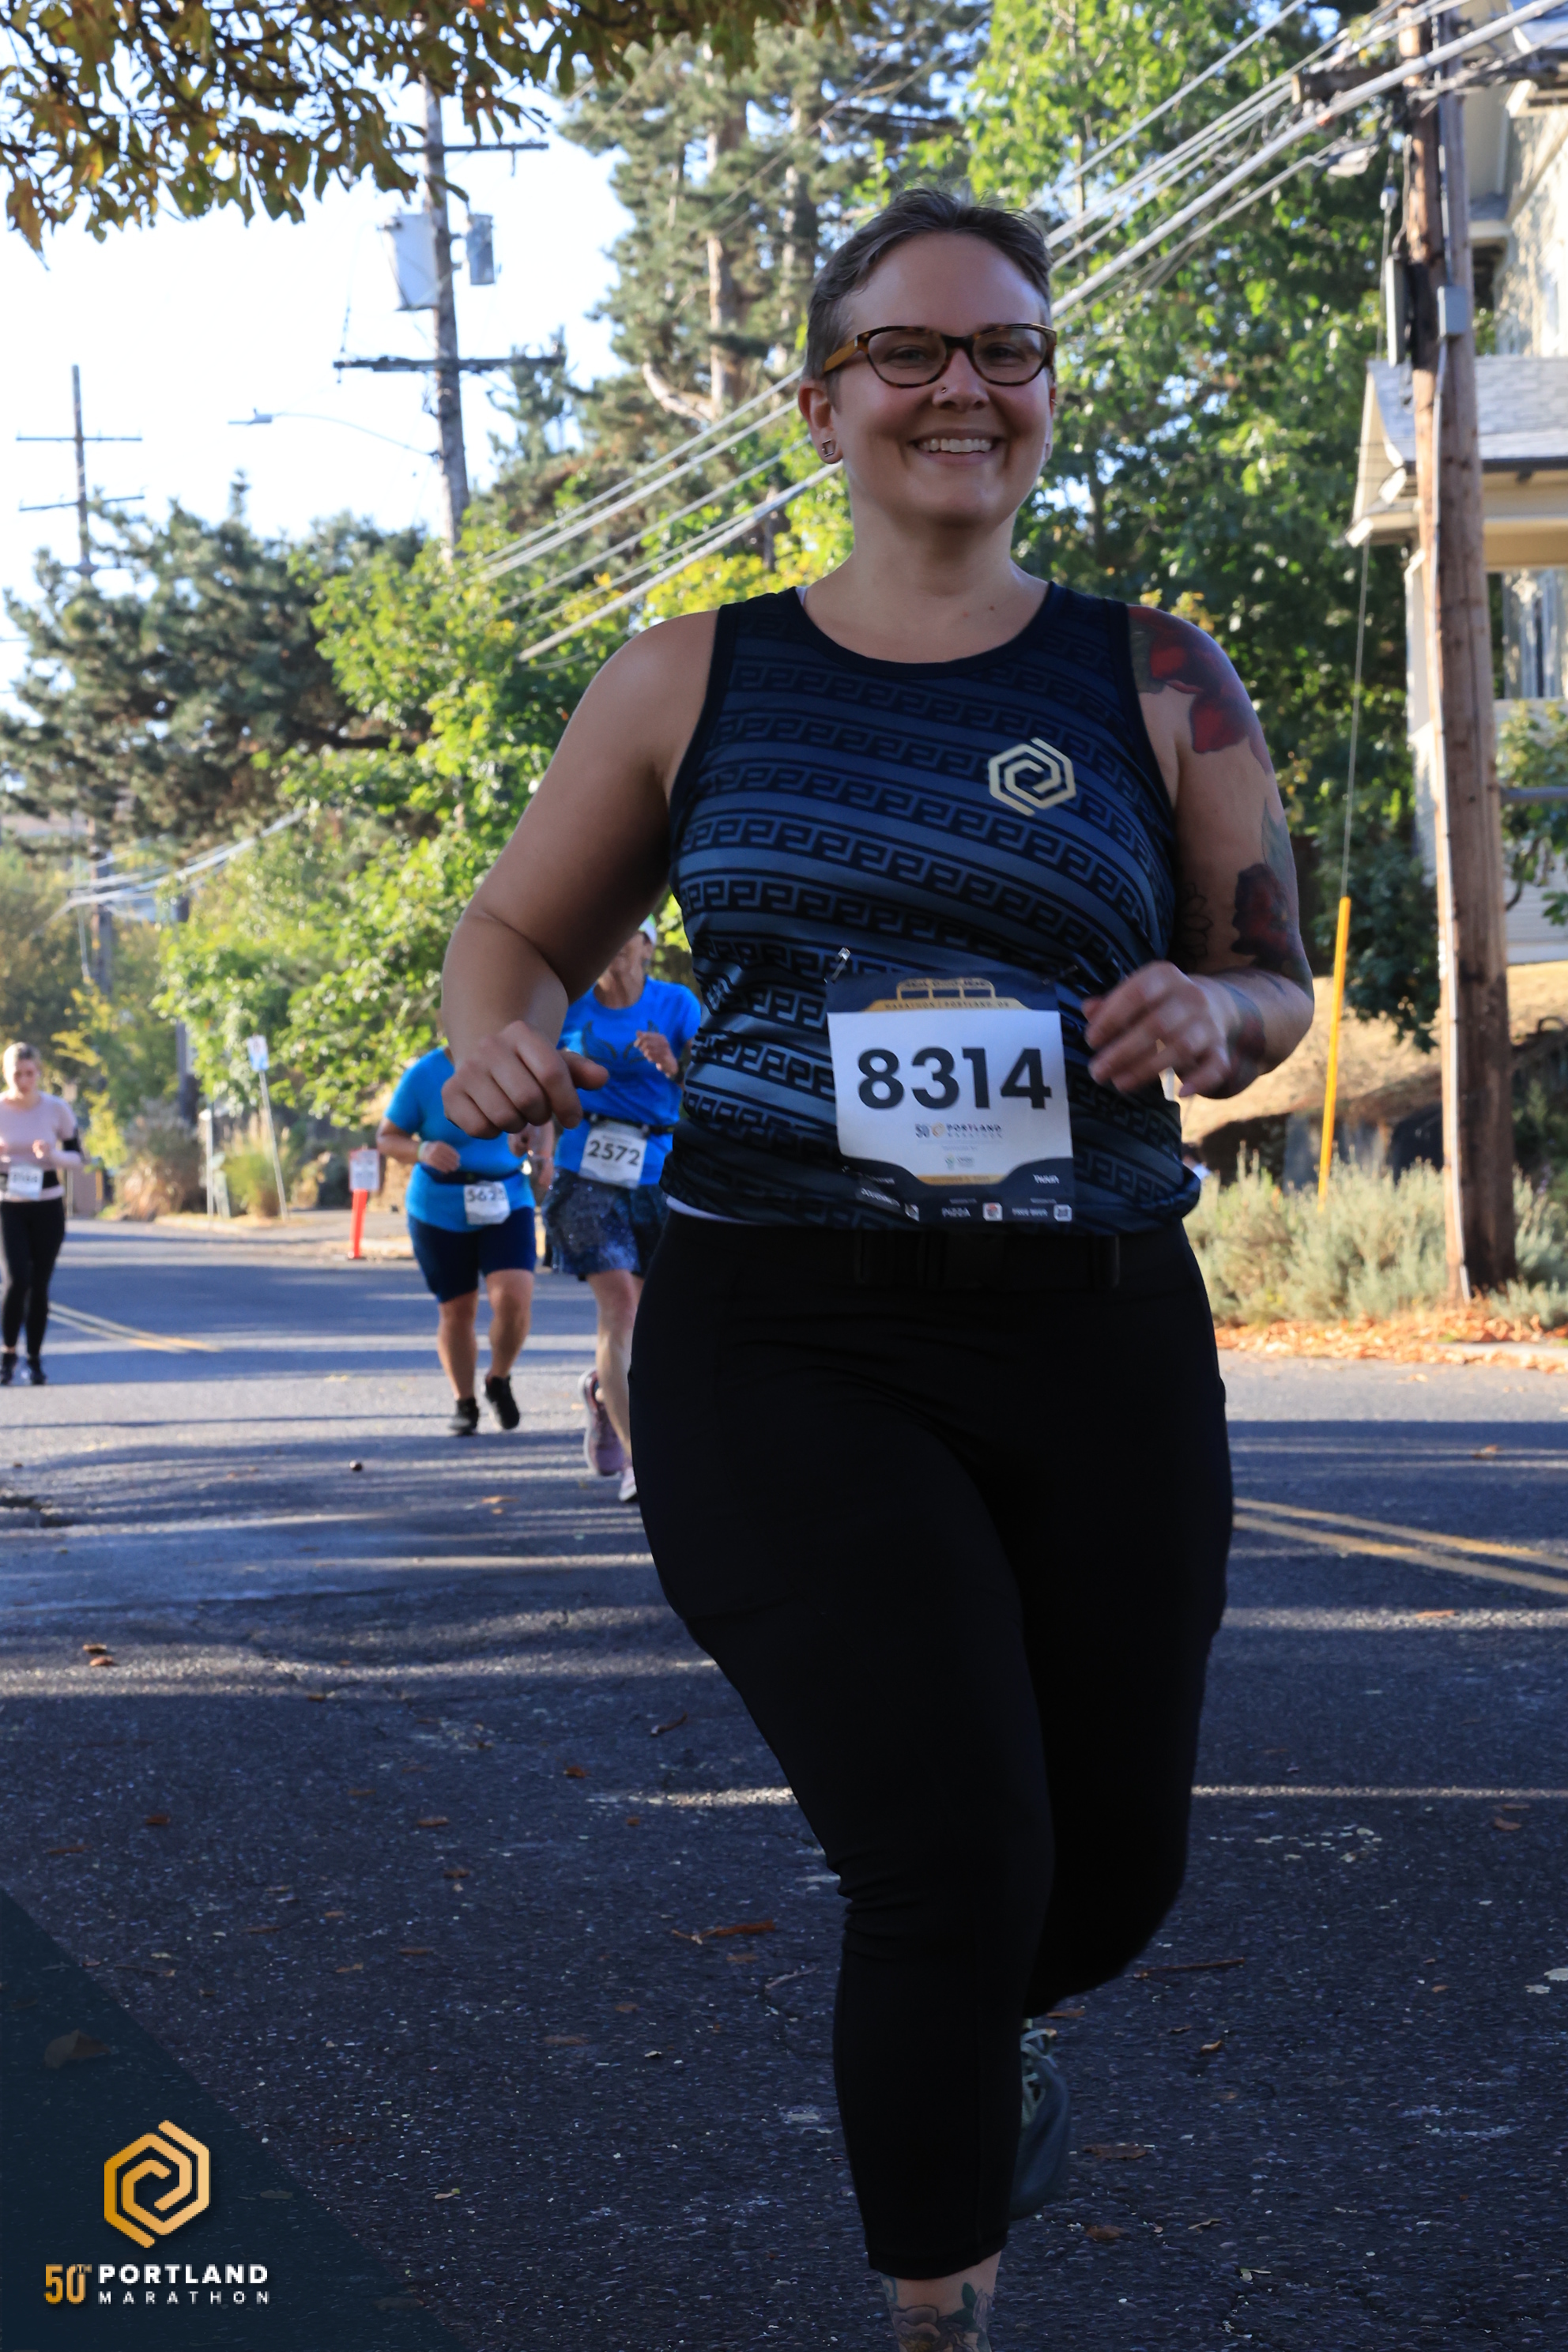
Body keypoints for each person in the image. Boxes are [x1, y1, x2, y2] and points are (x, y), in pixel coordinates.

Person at [438, 187, 1313, 2350]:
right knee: (953, 1859)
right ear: (825, 405)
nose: (961, 387)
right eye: (908, 352)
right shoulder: (694, 675)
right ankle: (940, 2309)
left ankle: (987, 2019)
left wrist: (1213, 1015)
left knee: (1105, 1872)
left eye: (1005, 348)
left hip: (1092, 1327)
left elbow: (1273, 976)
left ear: (1046, 390)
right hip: (782, 1330)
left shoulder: (1157, 675)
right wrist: (495, 1030)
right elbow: (514, 930)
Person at [542, 918, 701, 1505]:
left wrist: (675, 1065)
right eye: (604, 932)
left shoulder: (676, 1004)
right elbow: (544, 1079)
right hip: (587, 1170)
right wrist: (535, 1143)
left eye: (627, 932)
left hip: (660, 1169)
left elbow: (714, 1083)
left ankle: (605, 1392)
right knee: (622, 1308)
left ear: (648, 945)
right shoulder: (570, 1007)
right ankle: (641, 1459)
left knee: (657, 1315)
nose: (613, 942)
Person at [378, 1047, 541, 1437]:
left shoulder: (515, 1064)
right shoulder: (424, 1074)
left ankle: (498, 1378)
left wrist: (542, 1151)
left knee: (514, 1298)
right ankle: (464, 1402)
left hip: (506, 1196)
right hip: (439, 1205)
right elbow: (387, 1138)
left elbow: (542, 1117)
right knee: (457, 1309)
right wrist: (422, 1150)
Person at [0, 1042, 82, 1388]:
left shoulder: (56, 1108)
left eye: (29, 1073)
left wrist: (52, 1155)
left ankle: (34, 1359)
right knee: (17, 1279)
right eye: (16, 1074)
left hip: (48, 1203)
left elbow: (78, 1158)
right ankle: (8, 1354)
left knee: (39, 1284)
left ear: (39, 1073)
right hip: (9, 1203)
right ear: (6, 1073)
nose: (23, 1081)